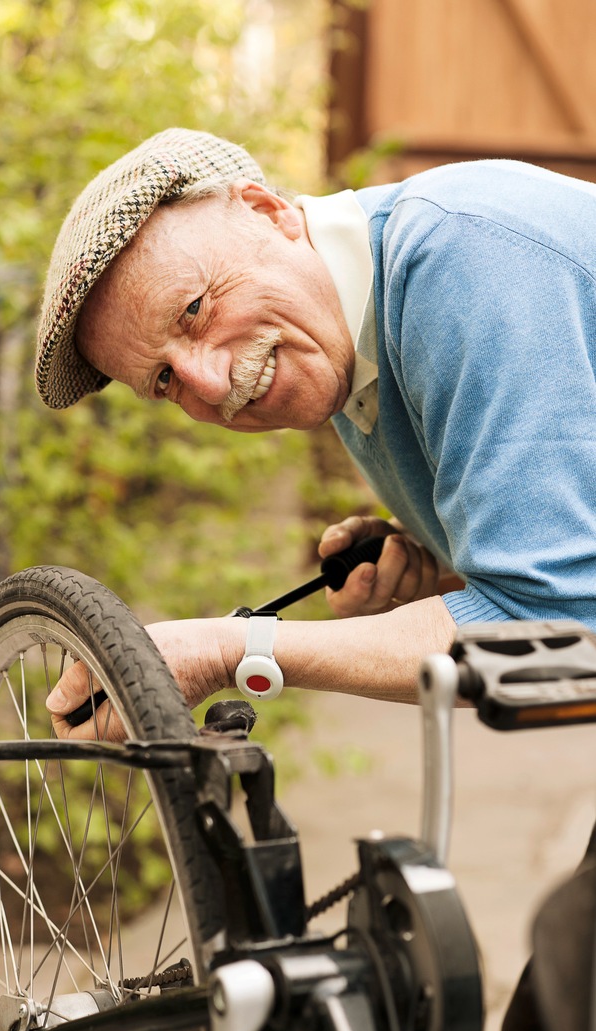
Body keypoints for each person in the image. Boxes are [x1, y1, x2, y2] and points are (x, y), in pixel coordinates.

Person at [36, 127, 595, 726]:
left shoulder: (458, 256)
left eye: (195, 309)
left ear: (267, 211)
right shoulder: (342, 352)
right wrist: (446, 563)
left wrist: (233, 649)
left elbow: (560, 639)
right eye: (165, 381)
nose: (211, 384)